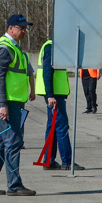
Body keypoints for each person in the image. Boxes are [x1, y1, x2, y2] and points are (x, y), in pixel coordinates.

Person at [0, 15, 38, 196]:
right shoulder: (4, 48)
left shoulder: (14, 47)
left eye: (25, 28)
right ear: (11, 28)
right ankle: (14, 185)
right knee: (13, 142)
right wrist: (3, 105)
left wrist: (30, 91)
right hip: (7, 102)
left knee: (4, 142)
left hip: (14, 100)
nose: (24, 31)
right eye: (21, 28)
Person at [35, 34, 81, 170]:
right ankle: (67, 161)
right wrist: (50, 95)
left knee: (53, 128)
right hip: (54, 95)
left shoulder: (53, 47)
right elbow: (47, 72)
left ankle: (48, 161)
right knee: (61, 126)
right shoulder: (51, 48)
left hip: (55, 93)